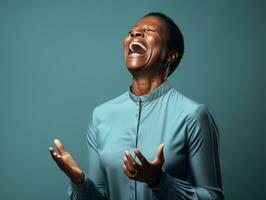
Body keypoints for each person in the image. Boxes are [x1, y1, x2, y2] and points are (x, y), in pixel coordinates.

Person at [49, 12, 224, 200]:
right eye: (132, 32)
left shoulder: (194, 115)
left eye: (149, 30)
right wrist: (80, 182)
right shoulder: (101, 116)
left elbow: (213, 197)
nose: (135, 34)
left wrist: (159, 181)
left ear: (171, 55)